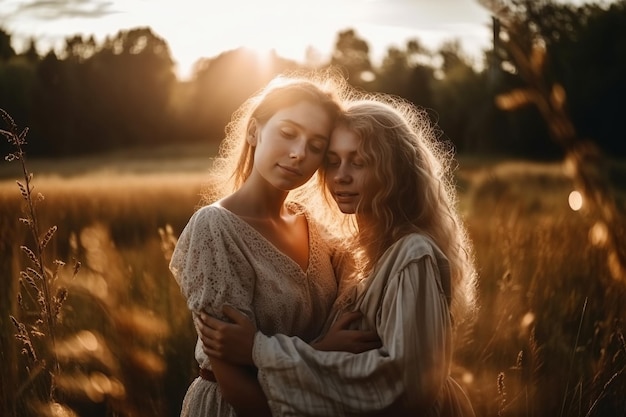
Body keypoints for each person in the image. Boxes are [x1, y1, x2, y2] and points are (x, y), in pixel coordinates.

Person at [197, 95, 479, 416]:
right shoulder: (351, 255)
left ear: (395, 171)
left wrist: (259, 350)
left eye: (359, 162)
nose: (341, 176)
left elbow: (408, 384)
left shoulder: (413, 255)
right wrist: (318, 350)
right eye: (332, 161)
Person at [169, 71, 379, 417]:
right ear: (254, 131)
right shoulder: (216, 228)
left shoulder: (317, 226)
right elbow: (234, 382)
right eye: (287, 133)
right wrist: (323, 351)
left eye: (316, 146)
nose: (299, 154)